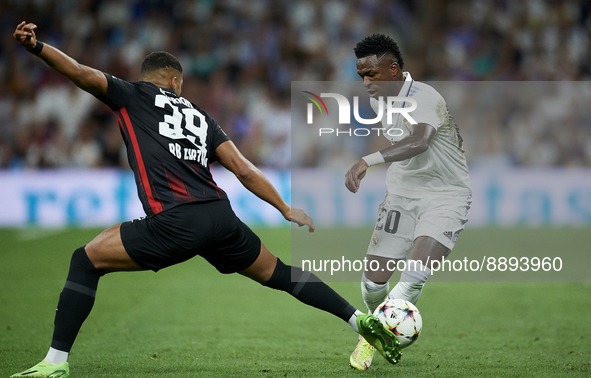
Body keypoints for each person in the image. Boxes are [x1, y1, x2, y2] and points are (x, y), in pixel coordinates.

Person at [11, 22, 402, 378]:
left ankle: (55, 363)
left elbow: (80, 73)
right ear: (176, 81)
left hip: (176, 221)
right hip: (221, 218)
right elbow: (244, 169)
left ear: (147, 79)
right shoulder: (201, 117)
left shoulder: (131, 94)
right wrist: (285, 208)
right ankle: (358, 319)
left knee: (85, 259)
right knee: (280, 273)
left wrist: (38, 47)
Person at [345, 34, 472, 370]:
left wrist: (367, 161)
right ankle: (378, 321)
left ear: (394, 69)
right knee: (373, 284)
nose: (366, 82)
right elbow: (399, 138)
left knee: (414, 275)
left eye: (372, 74)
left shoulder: (424, 97)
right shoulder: (379, 101)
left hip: (446, 196)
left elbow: (419, 141)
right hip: (401, 195)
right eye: (361, 76)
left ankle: (369, 339)